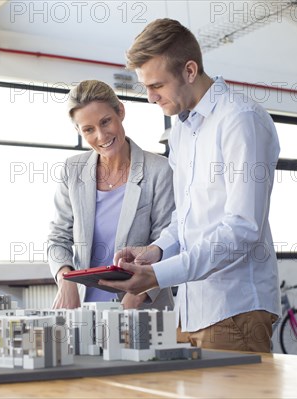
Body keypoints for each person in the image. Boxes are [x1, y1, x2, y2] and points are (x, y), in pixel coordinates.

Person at [101, 19, 281, 353]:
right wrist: (154, 252)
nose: (151, 97)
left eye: (157, 85)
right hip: (191, 310)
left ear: (189, 70)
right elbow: (185, 219)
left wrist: (158, 275)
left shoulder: (240, 120)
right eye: (146, 86)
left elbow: (243, 228)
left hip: (235, 309)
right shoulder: (182, 131)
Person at [47, 79, 175, 310]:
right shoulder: (72, 170)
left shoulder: (160, 170)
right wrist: (65, 280)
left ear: (120, 112)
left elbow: (168, 241)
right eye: (88, 129)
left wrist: (135, 298)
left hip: (141, 307)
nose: (101, 135)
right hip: (83, 310)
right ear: (79, 131)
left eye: (106, 122)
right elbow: (57, 238)